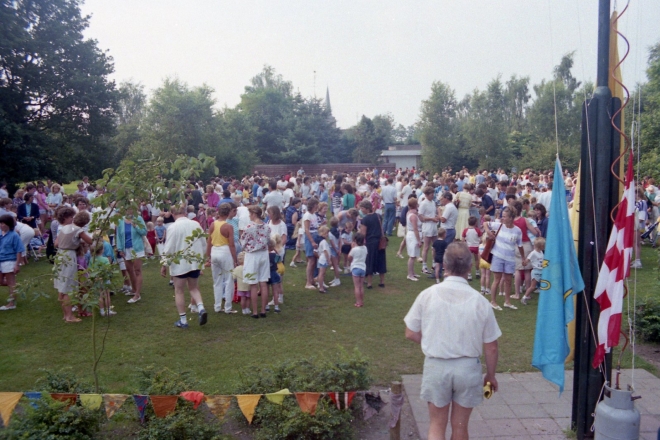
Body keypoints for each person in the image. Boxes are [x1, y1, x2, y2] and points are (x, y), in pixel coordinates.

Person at [404, 242, 501, 440]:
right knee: (460, 427)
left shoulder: (427, 295)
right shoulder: (480, 301)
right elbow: (491, 346)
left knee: (436, 425)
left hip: (437, 366)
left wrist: (431, 341)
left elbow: (410, 332)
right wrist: (490, 375)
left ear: (444, 265)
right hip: (467, 369)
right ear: (470, 267)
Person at [160, 203, 208, 328]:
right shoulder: (195, 224)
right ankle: (201, 307)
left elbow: (169, 247)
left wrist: (164, 264)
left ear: (172, 213)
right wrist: (201, 260)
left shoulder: (173, 227)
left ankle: (183, 320)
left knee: (179, 290)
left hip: (180, 263)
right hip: (194, 262)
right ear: (185, 212)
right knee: (193, 288)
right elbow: (203, 243)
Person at [54, 207, 93, 323]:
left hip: (60, 255)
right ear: (67, 217)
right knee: (69, 286)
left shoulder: (63, 228)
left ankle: (65, 314)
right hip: (69, 256)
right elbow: (90, 241)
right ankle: (70, 316)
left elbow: (56, 243)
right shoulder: (77, 230)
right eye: (71, 216)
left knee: (62, 285)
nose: (73, 218)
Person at [485, 207, 527, 311]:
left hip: (510, 259)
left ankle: (507, 302)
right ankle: (493, 302)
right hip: (498, 257)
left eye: (504, 216)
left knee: (508, 281)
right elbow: (485, 223)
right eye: (502, 216)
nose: (502, 218)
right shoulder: (498, 225)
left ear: (511, 218)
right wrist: (488, 232)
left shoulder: (517, 231)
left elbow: (520, 245)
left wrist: (523, 258)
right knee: (497, 279)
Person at [206, 203, 238, 314]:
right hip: (225, 252)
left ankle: (217, 306)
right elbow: (232, 245)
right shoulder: (228, 226)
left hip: (215, 251)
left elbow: (209, 241)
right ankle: (228, 307)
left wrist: (208, 255)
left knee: (217, 281)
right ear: (228, 212)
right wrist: (235, 259)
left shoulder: (213, 224)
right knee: (229, 280)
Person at [240, 205, 271, 318]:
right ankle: (263, 310)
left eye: (250, 214)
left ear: (253, 214)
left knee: (253, 284)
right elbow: (268, 240)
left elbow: (243, 242)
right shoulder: (267, 227)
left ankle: (255, 312)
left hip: (252, 255)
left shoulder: (249, 227)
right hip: (263, 254)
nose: (249, 216)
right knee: (263, 283)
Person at [116, 209, 147, 304]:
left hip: (137, 248)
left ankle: (137, 294)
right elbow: (119, 236)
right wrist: (120, 248)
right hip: (126, 249)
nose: (128, 210)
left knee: (137, 270)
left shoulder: (138, 219)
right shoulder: (121, 221)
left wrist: (136, 225)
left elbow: (144, 232)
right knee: (129, 270)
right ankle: (134, 290)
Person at [358, 200, 387, 289]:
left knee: (370, 261)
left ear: (367, 208)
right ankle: (382, 281)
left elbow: (363, 233)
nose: (361, 210)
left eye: (362, 208)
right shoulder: (378, 216)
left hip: (370, 242)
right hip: (380, 242)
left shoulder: (365, 219)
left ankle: (369, 283)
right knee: (381, 261)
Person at [0, 215, 25, 311]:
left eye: (3, 223)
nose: (1, 225)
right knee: (1, 281)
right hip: (1, 259)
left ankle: (12, 303)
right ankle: (16, 288)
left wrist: (17, 264)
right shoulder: (1, 234)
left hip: (9, 260)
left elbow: (19, 250)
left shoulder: (14, 235)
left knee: (10, 282)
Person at [418, 187, 438, 275]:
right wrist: (431, 219)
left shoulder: (433, 202)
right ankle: (424, 266)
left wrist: (436, 217)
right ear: (426, 195)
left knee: (435, 246)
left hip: (434, 226)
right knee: (426, 247)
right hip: (427, 226)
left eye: (433, 194)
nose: (433, 195)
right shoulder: (423, 204)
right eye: (431, 194)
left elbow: (434, 213)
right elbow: (421, 216)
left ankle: (434, 264)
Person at [522, 237, 545, 305]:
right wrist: (525, 262)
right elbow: (527, 260)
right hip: (536, 272)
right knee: (533, 286)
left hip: (542, 271)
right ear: (541, 246)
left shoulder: (541, 252)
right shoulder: (533, 253)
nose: (545, 246)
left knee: (544, 285)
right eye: (544, 245)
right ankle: (524, 297)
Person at [405, 197, 422, 282]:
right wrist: (419, 240)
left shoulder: (410, 213)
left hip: (411, 234)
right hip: (413, 235)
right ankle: (410, 274)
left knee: (414, 255)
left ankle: (412, 272)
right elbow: (415, 228)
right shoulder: (413, 216)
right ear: (415, 205)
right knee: (412, 256)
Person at [349, 232, 367, 307]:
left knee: (356, 286)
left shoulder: (354, 249)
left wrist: (352, 248)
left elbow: (349, 257)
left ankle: (358, 302)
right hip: (363, 268)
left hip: (355, 268)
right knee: (361, 286)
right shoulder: (365, 248)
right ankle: (361, 301)